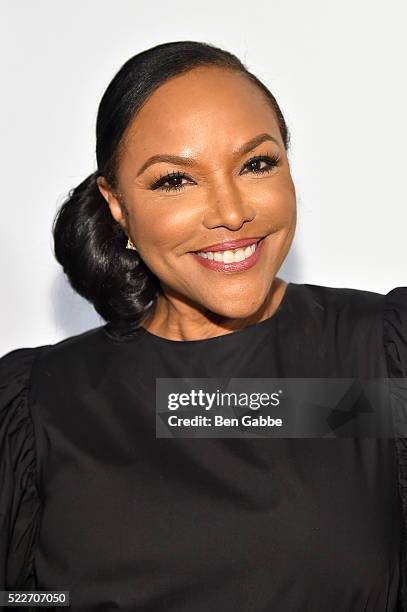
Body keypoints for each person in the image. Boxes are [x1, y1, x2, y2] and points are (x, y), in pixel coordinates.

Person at [0, 39, 406, 611]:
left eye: (256, 164)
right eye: (175, 180)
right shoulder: (38, 405)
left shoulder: (380, 360)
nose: (231, 211)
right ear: (117, 206)